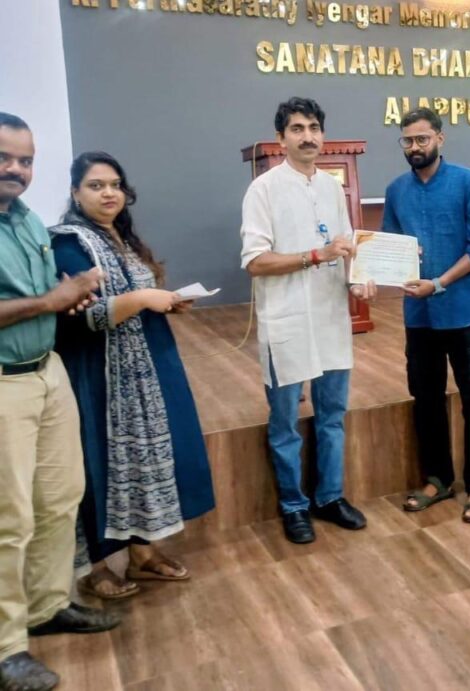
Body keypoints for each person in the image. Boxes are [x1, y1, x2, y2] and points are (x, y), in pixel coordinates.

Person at [50, 151, 216, 599]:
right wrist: (143, 299)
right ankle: (97, 567)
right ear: (75, 193)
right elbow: (83, 317)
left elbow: (137, 296)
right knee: (100, 462)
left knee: (146, 460)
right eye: (96, 185)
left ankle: (143, 553)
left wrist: (167, 301)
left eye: (115, 185)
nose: (109, 193)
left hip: (148, 367)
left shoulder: (122, 238)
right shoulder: (69, 243)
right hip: (101, 376)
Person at [0, 113, 118, 691]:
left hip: (47, 373)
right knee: (9, 519)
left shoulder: (24, 220)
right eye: (4, 158)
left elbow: (46, 294)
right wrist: (52, 301)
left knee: (60, 497)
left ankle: (47, 606)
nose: (16, 170)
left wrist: (68, 299)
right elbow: (41, 299)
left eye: (25, 160)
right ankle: (6, 648)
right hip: (5, 385)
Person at [240, 97, 373, 544]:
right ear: (281, 139)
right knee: (285, 424)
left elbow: (347, 247)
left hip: (330, 317)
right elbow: (255, 262)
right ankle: (293, 506)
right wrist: (316, 255)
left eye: (314, 127)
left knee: (332, 415)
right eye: (297, 129)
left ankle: (330, 497)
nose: (308, 136)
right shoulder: (263, 190)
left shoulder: (332, 188)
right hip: (287, 321)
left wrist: (358, 280)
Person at [381, 108, 470, 523]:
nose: (415, 147)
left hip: (463, 311)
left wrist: (439, 282)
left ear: (440, 139)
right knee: (426, 399)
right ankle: (438, 479)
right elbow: (390, 247)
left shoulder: (469, 181)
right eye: (408, 140)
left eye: (422, 139)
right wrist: (391, 268)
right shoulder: (396, 190)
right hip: (419, 315)